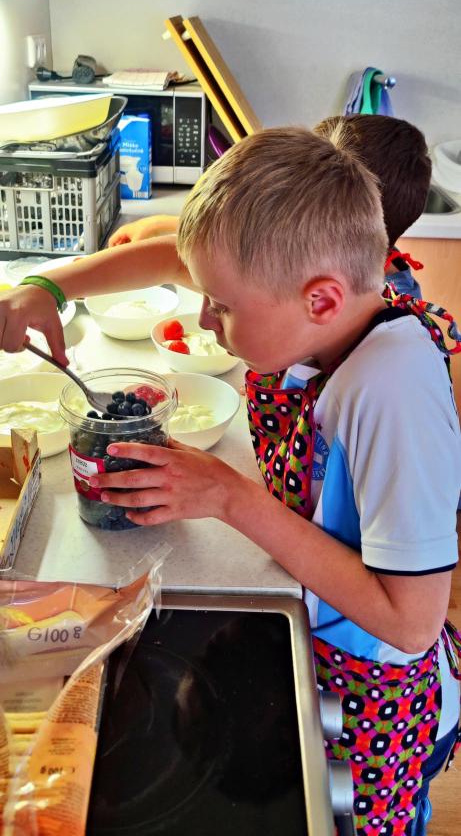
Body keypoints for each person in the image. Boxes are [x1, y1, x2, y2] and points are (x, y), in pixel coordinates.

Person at [0, 126, 459, 835]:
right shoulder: (321, 306)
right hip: (316, 623)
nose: (204, 316)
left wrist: (227, 495)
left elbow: (409, 620)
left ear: (320, 300)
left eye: (222, 306)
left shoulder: (390, 391)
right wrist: (47, 286)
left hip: (372, 690)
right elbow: (171, 259)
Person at [108, 113, 432, 300]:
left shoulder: (385, 311)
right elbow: (247, 239)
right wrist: (159, 224)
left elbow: (175, 263)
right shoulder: (335, 251)